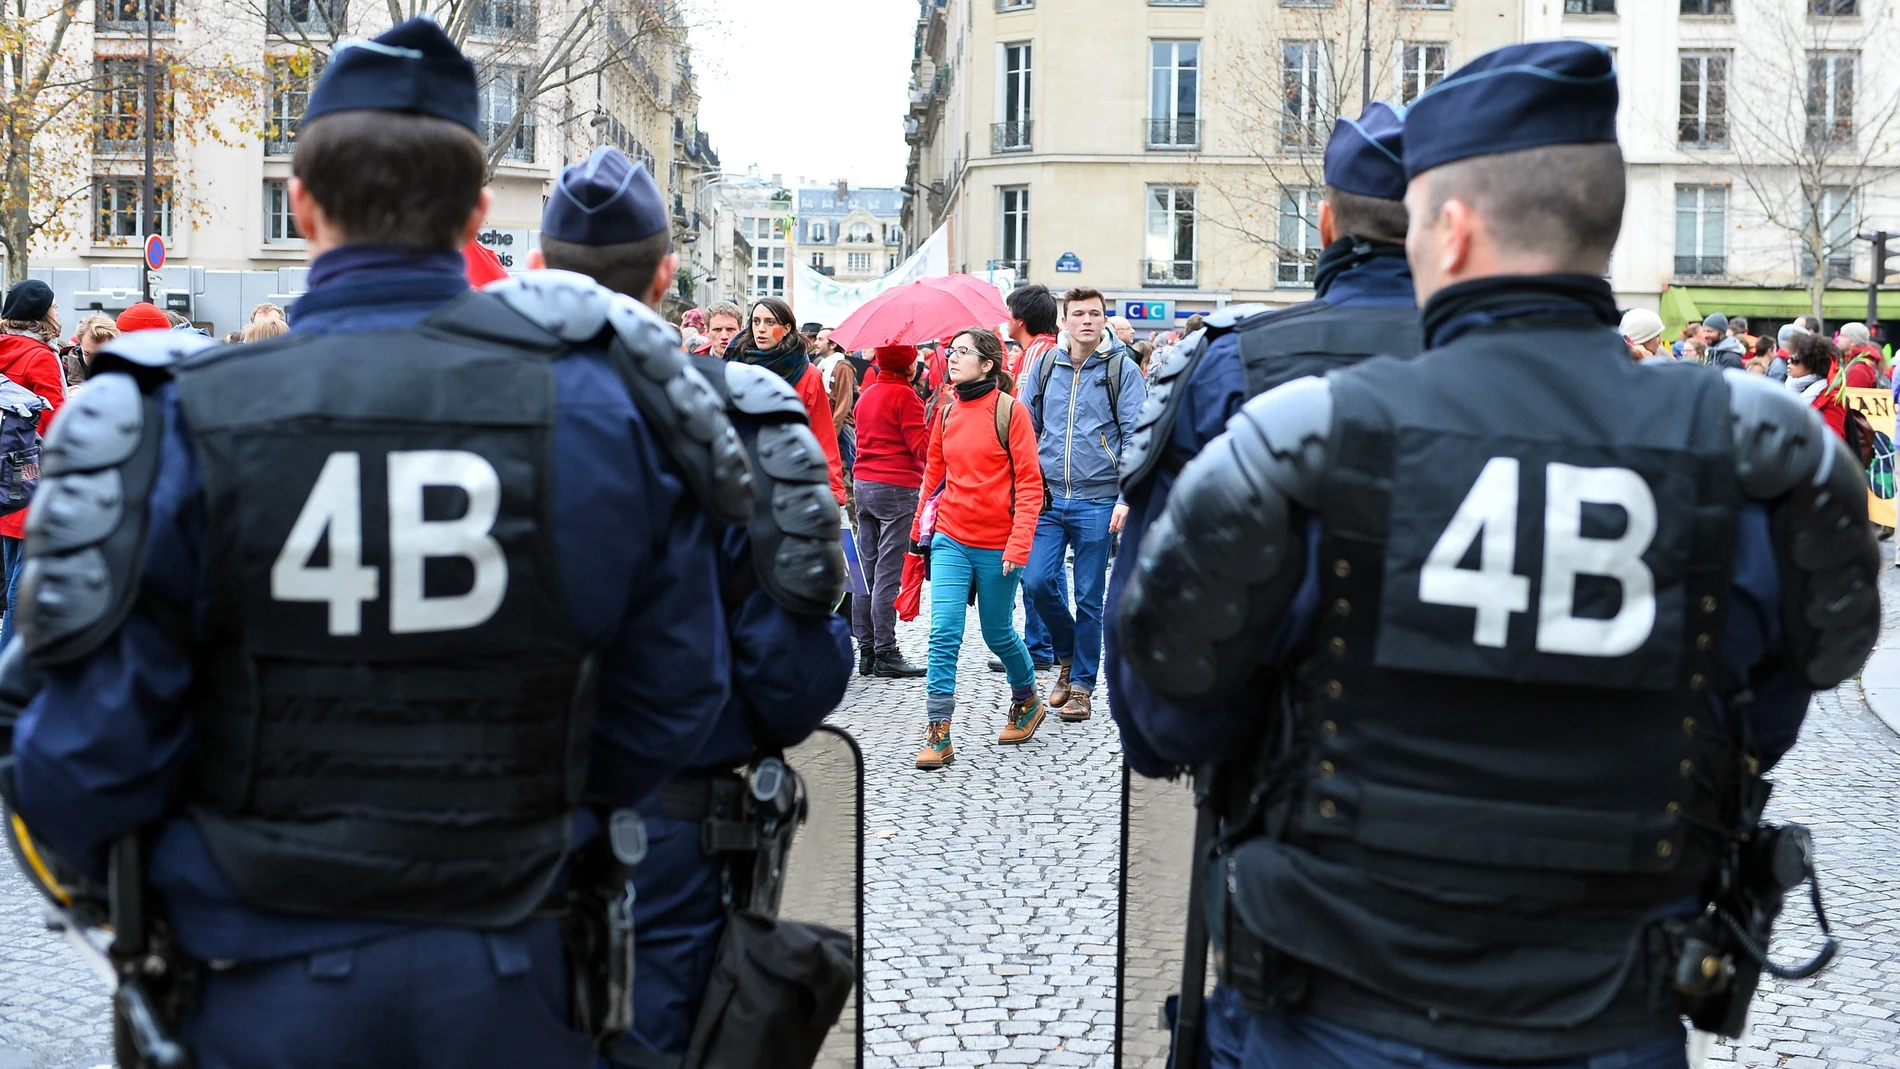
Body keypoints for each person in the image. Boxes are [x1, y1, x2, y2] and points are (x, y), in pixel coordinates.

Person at [1118, 40, 1879, 1069]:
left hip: (1330, 1026)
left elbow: (1166, 716)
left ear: (1455, 228)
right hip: (1611, 1023)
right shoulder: (1751, 466)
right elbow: (1764, 720)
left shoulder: (1306, 445)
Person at [0, 21, 744, 1069]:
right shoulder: (602, 417)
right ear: (478, 216)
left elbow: (78, 758)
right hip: (514, 962)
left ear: (299, 198)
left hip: (257, 977)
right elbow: (674, 694)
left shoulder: (176, 421)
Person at [527, 144, 853, 1067]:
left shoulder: (471, 404)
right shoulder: (744, 415)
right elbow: (791, 672)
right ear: (668, 275)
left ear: (542, 267)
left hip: (494, 814)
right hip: (677, 823)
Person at [1109, 100, 1423, 781]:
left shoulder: (1228, 362)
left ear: (1326, 223)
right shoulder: (1518, 366)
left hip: (1279, 804)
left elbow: (1144, 633)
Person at [909, 328, 1045, 769]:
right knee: (944, 632)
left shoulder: (1011, 412)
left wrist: (1019, 542)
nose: (952, 357)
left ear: (988, 364)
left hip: (999, 544)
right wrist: (919, 537)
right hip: (950, 536)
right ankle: (938, 730)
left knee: (997, 633)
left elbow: (1029, 483)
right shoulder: (946, 414)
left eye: (963, 352)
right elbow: (932, 479)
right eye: (951, 351)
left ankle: (1026, 698)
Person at [1018, 287, 1146, 723]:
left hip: (1098, 498)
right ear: (1064, 321)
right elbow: (1024, 427)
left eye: (1095, 313)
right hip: (1049, 497)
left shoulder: (1121, 369)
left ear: (1104, 319)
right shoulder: (1045, 364)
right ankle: (1069, 654)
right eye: (1078, 314)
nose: (1087, 321)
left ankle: (1082, 687)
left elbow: (1136, 435)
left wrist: (1127, 496)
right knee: (1035, 582)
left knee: (1090, 596)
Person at [995, 283, 1062, 673]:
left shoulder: (1039, 354)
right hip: (1040, 465)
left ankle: (1040, 644)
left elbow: (1027, 416)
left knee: (1038, 563)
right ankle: (1046, 641)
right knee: (1045, 566)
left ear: (1019, 320)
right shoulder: (1038, 351)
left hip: (1035, 466)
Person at [852, 344, 929, 678]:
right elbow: (922, 448)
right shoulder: (905, 397)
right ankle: (886, 650)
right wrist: (936, 414)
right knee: (887, 573)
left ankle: (865, 650)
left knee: (865, 571)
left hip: (863, 484)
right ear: (909, 366)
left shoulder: (868, 393)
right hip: (896, 488)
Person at [728, 296, 847, 505]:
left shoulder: (808, 374)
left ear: (786, 328)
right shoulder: (735, 365)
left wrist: (833, 493)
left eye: (770, 322)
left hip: (789, 485)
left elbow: (822, 436)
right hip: (740, 480)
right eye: (756, 322)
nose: (761, 329)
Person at [0, 279, 65, 650]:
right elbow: (54, 424)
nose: (57, 313)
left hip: (4, 477)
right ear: (41, 314)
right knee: (22, 593)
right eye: (53, 307)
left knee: (12, 578)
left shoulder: (4, 347)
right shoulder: (39, 356)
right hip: (33, 479)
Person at [1789, 332, 1848, 439]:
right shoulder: (1791, 387)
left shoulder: (1832, 398)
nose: (1789, 363)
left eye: (1795, 360)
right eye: (1789, 359)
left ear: (1812, 364)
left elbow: (1833, 441)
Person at [62, 312, 119, 387]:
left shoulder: (128, 371)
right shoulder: (62, 371)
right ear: (80, 344)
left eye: (100, 356)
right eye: (87, 354)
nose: (93, 361)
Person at [1837, 321, 1881, 388]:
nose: (1838, 338)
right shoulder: (1858, 363)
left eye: (1842, 335)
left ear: (1854, 342)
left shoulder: (1858, 370)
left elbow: (1851, 397)